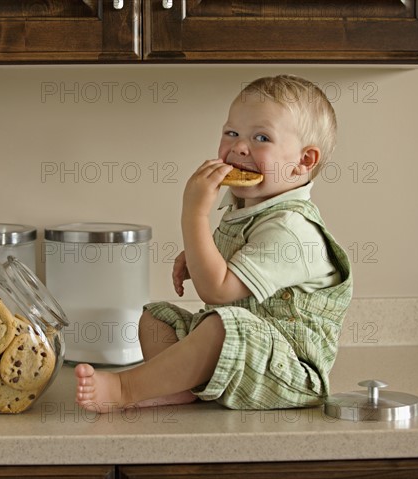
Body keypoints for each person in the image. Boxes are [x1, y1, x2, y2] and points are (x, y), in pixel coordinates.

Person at [75, 74, 353, 412]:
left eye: (261, 137)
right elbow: (229, 268)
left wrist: (193, 215)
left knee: (222, 323)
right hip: (239, 352)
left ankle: (126, 388)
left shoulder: (291, 229)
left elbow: (218, 292)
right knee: (155, 318)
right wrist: (196, 255)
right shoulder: (246, 210)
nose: (238, 147)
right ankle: (181, 387)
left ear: (303, 162)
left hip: (290, 373)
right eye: (231, 133)